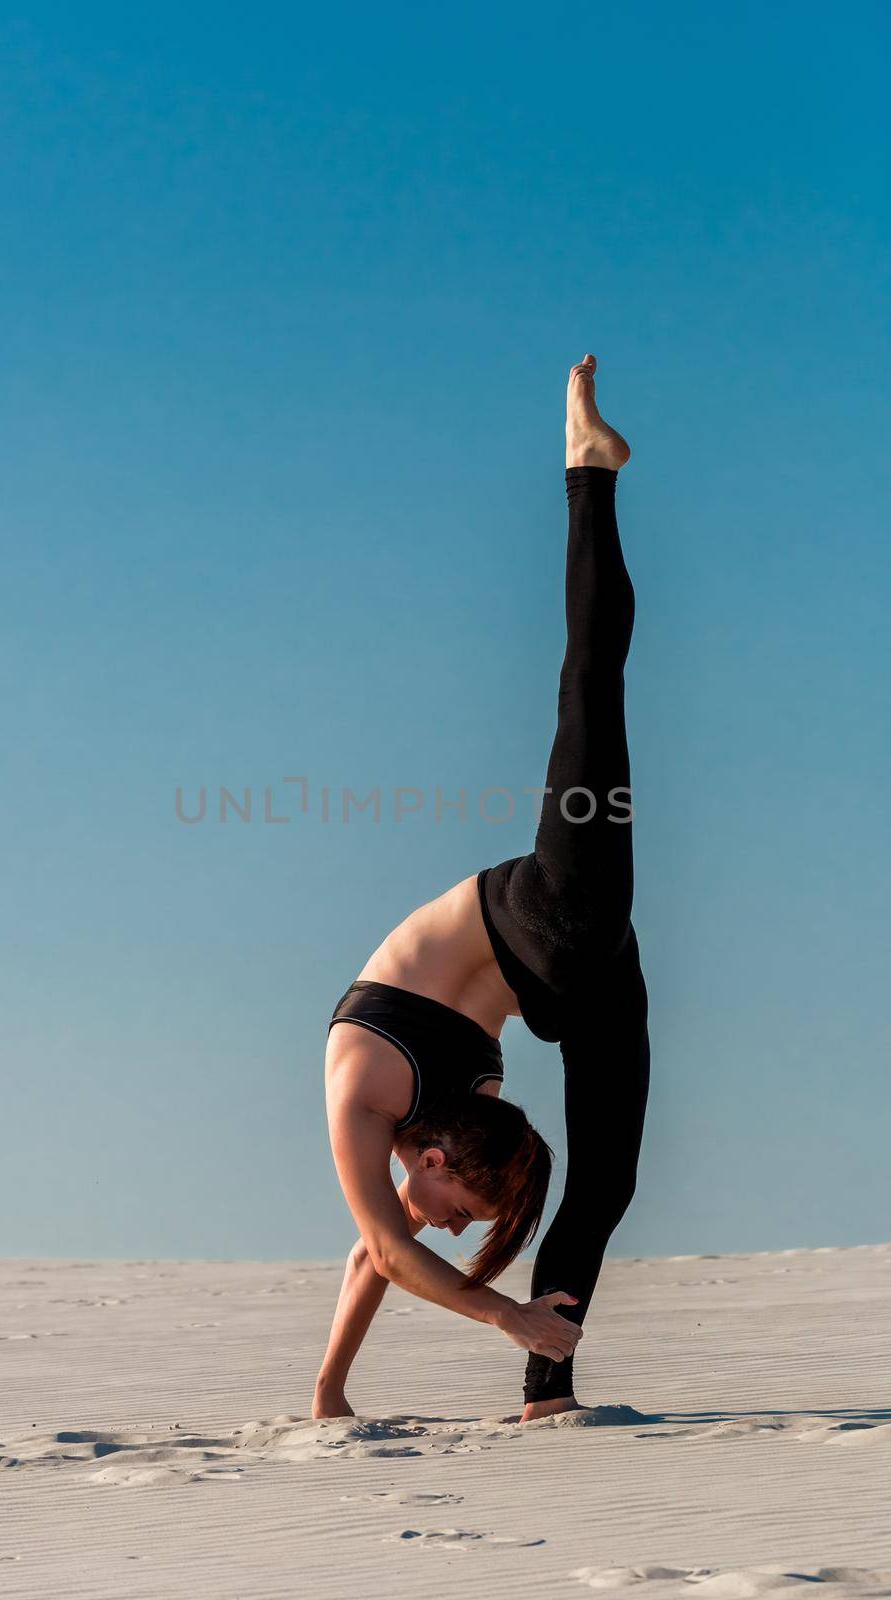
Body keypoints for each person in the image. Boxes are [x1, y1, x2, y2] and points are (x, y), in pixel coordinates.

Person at [317, 356, 651, 1422]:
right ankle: (550, 1395)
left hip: (549, 907)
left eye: (458, 1210)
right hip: (592, 967)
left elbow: (380, 1245)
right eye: (470, 1216)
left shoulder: (366, 1081)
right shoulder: (451, 1127)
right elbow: (389, 1246)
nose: (455, 1225)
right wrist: (331, 1389)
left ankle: (584, 471)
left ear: (427, 1154)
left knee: (588, 687)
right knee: (604, 1183)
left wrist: (496, 1310)